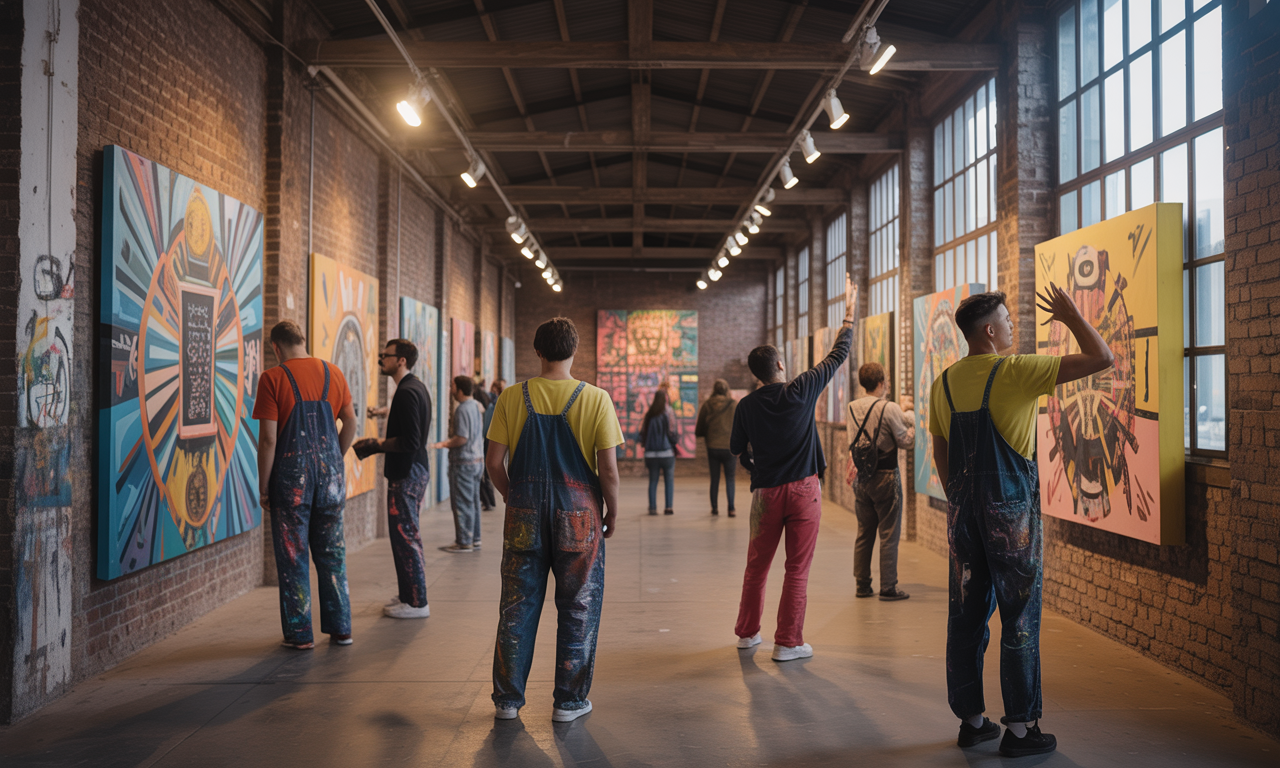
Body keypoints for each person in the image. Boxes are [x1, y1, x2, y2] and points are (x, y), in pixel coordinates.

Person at [930, 287, 1112, 757]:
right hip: (1011, 517)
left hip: (963, 516)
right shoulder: (1016, 371)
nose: (1013, 326)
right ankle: (1020, 729)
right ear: (990, 331)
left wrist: (959, 500)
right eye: (1008, 320)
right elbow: (1102, 357)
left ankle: (972, 722)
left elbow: (941, 449)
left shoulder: (943, 383)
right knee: (1020, 616)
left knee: (966, 615)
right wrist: (1071, 316)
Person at [485, 317, 623, 722]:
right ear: (575, 350)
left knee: (516, 606)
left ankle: (507, 701)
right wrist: (611, 511)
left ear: (538, 351)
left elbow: (493, 463)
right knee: (579, 605)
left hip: (523, 511)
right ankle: (569, 701)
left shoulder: (511, 397)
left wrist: (513, 496)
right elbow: (608, 470)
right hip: (579, 514)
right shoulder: (596, 399)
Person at [730, 275, 857, 662]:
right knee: (796, 569)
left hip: (766, 493)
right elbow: (837, 355)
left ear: (757, 374)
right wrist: (849, 315)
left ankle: (747, 634)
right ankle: (787, 642)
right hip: (804, 490)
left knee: (756, 567)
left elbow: (737, 450)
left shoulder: (746, 406)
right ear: (781, 364)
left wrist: (756, 468)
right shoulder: (801, 389)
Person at [253, 320, 358, 649]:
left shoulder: (272, 378)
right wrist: (334, 457)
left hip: (291, 480)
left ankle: (300, 635)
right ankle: (341, 629)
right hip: (330, 478)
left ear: (276, 347)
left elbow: (269, 440)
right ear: (303, 340)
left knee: (293, 555)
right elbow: (351, 421)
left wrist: (264, 485)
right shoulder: (333, 373)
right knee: (332, 554)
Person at [353, 339, 433, 619]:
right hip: (414, 469)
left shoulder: (407, 392)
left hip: (407, 472)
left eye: (385, 356)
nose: (381, 360)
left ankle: (417, 602)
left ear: (401, 360)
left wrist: (375, 444)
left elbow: (410, 441)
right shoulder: (415, 387)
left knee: (405, 536)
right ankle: (409, 595)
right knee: (405, 535)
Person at [846, 362, 914, 601]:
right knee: (889, 533)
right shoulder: (889, 407)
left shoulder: (852, 407)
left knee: (864, 532)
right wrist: (912, 422)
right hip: (886, 476)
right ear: (882, 383)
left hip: (862, 477)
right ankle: (888, 586)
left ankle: (862, 584)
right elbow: (905, 441)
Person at [434, 376, 485, 552]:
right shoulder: (476, 406)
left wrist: (444, 444)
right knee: (474, 502)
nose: (451, 390)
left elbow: (462, 438)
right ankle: (475, 538)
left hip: (464, 463)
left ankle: (464, 541)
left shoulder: (462, 409)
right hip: (477, 461)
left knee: (462, 503)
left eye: (453, 386)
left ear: (460, 389)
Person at [695, 379, 738, 517]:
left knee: (714, 478)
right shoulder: (733, 405)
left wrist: (706, 434)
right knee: (730, 478)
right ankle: (731, 509)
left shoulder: (707, 405)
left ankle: (714, 508)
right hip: (729, 447)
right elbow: (740, 425)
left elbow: (700, 428)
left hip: (712, 446)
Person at [640, 390, 679, 515]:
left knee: (653, 481)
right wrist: (673, 443)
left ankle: (652, 508)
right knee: (669, 480)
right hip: (666, 453)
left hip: (650, 454)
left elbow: (642, 434)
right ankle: (668, 507)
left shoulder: (649, 414)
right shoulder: (668, 413)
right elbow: (672, 431)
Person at [476, 381, 497, 511]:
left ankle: (488, 501)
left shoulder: (481, 408)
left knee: (483, 474)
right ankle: (490, 501)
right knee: (486, 474)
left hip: (484, 443)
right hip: (487, 442)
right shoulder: (490, 407)